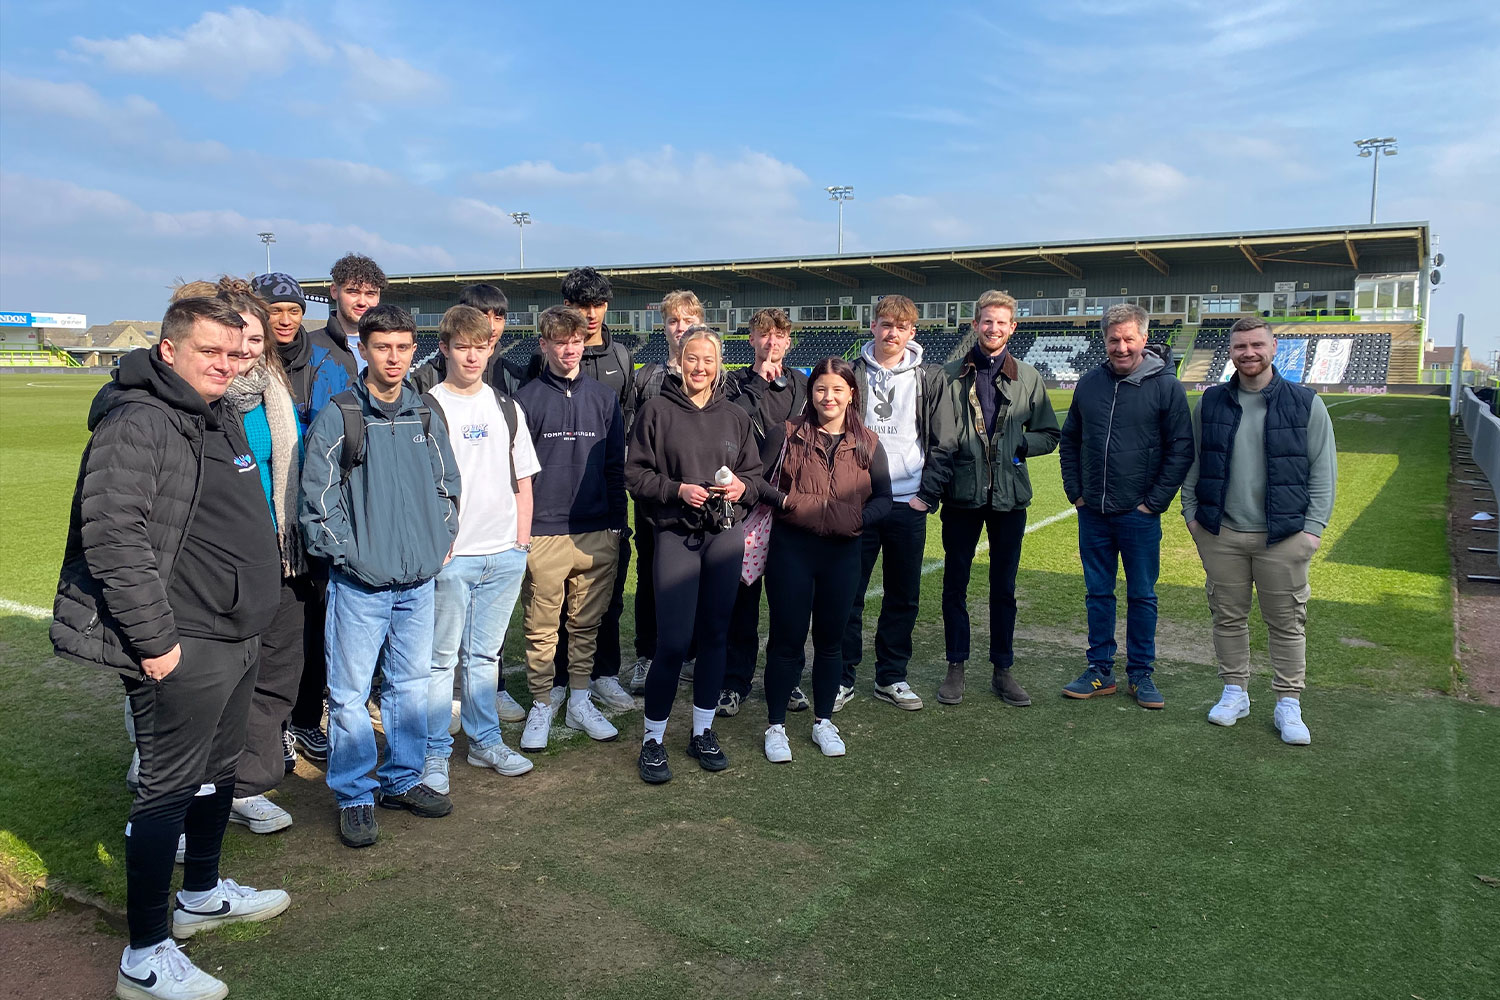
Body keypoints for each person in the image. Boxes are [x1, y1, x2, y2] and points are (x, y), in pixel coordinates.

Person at [52, 297, 290, 1000]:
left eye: (235, 351)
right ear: (169, 350)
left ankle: (204, 894)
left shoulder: (213, 410)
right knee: (167, 790)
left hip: (238, 632)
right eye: (210, 352)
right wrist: (156, 643)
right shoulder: (140, 420)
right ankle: (146, 954)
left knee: (219, 772)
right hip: (184, 642)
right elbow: (112, 535)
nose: (226, 363)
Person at [300, 304, 461, 848]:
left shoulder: (425, 414)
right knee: (347, 696)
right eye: (382, 347)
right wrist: (352, 559)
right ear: (364, 349)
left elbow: (447, 487)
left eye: (403, 347)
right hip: (359, 586)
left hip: (418, 582)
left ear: (414, 349)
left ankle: (402, 779)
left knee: (410, 688)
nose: (394, 358)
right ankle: (354, 794)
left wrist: (439, 543)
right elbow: (317, 503)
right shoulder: (341, 414)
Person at [1182, 318, 1337, 745]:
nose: (1248, 353)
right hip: (1221, 534)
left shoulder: (1305, 403)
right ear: (1230, 352)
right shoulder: (1212, 401)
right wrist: (1193, 517)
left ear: (1273, 347)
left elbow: (1323, 473)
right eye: (1239, 346)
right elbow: (1194, 463)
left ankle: (1289, 702)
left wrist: (1312, 531)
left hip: (1284, 536)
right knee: (1227, 616)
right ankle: (1235, 692)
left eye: (1256, 345)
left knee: (1286, 622)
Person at [626, 326, 762, 783]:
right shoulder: (656, 411)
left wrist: (741, 488)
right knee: (674, 641)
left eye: (708, 359)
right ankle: (652, 739)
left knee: (715, 636)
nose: (700, 367)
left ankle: (702, 731)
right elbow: (635, 475)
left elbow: (755, 478)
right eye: (692, 358)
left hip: (724, 537)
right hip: (674, 536)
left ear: (719, 363)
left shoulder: (736, 416)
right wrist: (675, 489)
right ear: (679, 361)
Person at [420, 305, 540, 792]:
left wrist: (522, 540)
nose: (472, 355)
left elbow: (524, 478)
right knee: (439, 659)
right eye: (463, 346)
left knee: (485, 656)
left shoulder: (507, 406)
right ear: (445, 348)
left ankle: (485, 741)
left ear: (493, 348)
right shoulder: (426, 405)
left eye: (482, 346)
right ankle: (433, 754)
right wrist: (439, 545)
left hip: (504, 552)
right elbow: (418, 485)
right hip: (453, 557)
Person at [1059, 303, 1193, 708]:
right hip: (1094, 513)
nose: (1121, 347)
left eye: (1128, 338)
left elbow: (1181, 449)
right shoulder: (1089, 384)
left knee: (1142, 595)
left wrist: (1153, 504)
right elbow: (1070, 440)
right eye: (1113, 339)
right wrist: (1075, 493)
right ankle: (1100, 669)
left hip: (1139, 516)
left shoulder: (1166, 386)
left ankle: (1141, 674)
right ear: (1104, 340)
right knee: (1098, 593)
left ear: (1144, 339)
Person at [213, 278, 309, 836]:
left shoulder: (272, 388)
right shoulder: (201, 396)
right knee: (215, 683)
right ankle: (185, 784)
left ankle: (247, 786)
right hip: (222, 565)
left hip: (280, 554)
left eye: (255, 339)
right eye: (238, 337)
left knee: (275, 675)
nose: (247, 349)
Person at [758, 358, 891, 762]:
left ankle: (823, 720)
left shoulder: (867, 441)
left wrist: (857, 519)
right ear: (810, 392)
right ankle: (776, 726)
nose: (828, 397)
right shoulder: (787, 434)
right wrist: (788, 501)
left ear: (851, 394)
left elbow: (885, 498)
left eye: (837, 389)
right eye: (820, 389)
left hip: (842, 553)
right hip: (792, 551)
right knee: (786, 640)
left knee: (831, 643)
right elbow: (756, 481)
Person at [934, 291, 1059, 707]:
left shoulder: (1028, 377)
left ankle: (1002, 670)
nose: (993, 328)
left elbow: (1050, 434)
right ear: (976, 325)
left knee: (1003, 588)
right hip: (961, 497)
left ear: (1012, 328)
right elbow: (935, 436)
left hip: (1009, 500)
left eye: (1001, 322)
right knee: (955, 585)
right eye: (986, 321)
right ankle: (956, 667)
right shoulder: (949, 376)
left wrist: (1019, 445)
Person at [513, 306, 628, 753]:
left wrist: (617, 525)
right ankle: (543, 701)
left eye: (576, 341)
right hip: (544, 531)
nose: (568, 349)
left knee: (586, 623)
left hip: (597, 530)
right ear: (543, 344)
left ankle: (580, 697)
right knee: (542, 627)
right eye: (559, 341)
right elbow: (518, 475)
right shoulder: (524, 401)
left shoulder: (604, 398)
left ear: (585, 343)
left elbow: (615, 468)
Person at [252, 271, 353, 768]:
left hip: (315, 513)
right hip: (263, 520)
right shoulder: (246, 364)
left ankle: (307, 721)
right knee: (266, 629)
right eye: (276, 311)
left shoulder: (329, 360)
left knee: (312, 624)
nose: (286, 320)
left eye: (293, 310)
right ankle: (269, 728)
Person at [527, 268, 637, 712]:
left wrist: (617, 519)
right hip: (548, 517)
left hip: (599, 513)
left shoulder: (621, 359)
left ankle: (602, 676)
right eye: (581, 307)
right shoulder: (535, 377)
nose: (589, 317)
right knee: (546, 615)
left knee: (602, 605)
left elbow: (622, 438)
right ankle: (554, 686)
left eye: (598, 306)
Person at [840, 295, 950, 712]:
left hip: (908, 504)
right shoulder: (852, 374)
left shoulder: (929, 378)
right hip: (860, 502)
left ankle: (891, 676)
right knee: (849, 592)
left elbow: (944, 441)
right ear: (873, 327)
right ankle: (843, 676)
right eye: (886, 324)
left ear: (912, 333)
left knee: (903, 595)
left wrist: (926, 496)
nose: (892, 333)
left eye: (901, 327)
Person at [720, 306, 810, 716]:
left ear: (788, 342)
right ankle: (735, 681)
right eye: (763, 335)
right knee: (742, 600)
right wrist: (757, 384)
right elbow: (732, 425)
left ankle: (788, 679)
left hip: (791, 507)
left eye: (779, 335)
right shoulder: (734, 384)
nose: (771, 342)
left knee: (789, 600)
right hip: (747, 504)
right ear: (751, 340)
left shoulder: (804, 386)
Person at [623, 289, 705, 697]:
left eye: (688, 320)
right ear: (665, 327)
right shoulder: (647, 377)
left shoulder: (714, 375)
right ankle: (647, 654)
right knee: (651, 574)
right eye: (673, 321)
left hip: (699, 500)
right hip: (656, 497)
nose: (681, 328)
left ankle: (689, 653)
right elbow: (634, 440)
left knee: (695, 574)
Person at [409, 283, 525, 397]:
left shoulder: (514, 376)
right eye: (483, 317)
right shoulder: (425, 378)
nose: (492, 327)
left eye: (498, 318)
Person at [325, 252, 388, 367]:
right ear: (334, 291)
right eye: (353, 292)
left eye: (370, 294)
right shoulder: (309, 347)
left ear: (378, 296)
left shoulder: (391, 348)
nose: (362, 302)